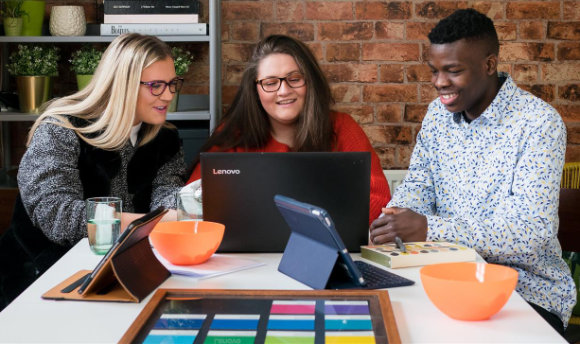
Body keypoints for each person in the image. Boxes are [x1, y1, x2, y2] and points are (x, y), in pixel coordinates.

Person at [369, 8, 575, 333]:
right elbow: (417, 190)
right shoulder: (437, 115)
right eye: (434, 71)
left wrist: (428, 228)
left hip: (524, 291)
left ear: (489, 64)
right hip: (443, 279)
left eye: (452, 71)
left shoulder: (538, 124)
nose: (439, 83)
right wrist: (395, 221)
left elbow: (530, 234)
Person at [0, 33, 187, 310]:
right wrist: (149, 222)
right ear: (121, 85)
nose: (168, 95)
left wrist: (181, 207)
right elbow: (57, 215)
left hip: (120, 277)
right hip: (38, 280)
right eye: (155, 86)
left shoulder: (165, 139)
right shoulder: (61, 128)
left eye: (172, 84)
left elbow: (169, 196)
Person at [187, 34, 390, 223]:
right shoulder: (232, 136)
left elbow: (378, 198)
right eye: (270, 82)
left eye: (294, 79)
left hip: (326, 249)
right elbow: (193, 201)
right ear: (255, 89)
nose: (284, 91)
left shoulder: (342, 127)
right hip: (248, 258)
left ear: (310, 81)